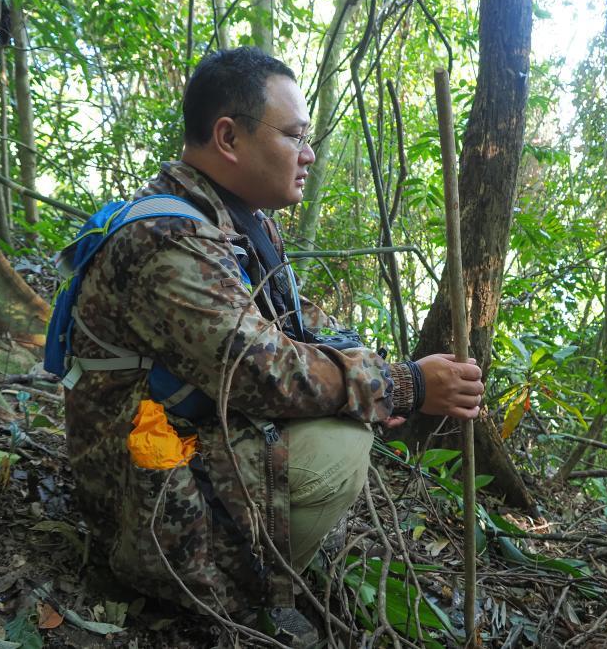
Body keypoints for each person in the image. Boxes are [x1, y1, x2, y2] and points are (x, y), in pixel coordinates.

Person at [64, 46, 483, 645]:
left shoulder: (238, 222)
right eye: (294, 136)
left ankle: (257, 551)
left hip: (187, 431)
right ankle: (225, 587)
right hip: (139, 489)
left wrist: (373, 379)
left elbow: (295, 324)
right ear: (228, 138)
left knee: (345, 412)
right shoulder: (170, 241)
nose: (308, 154)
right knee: (339, 448)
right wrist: (404, 385)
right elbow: (263, 371)